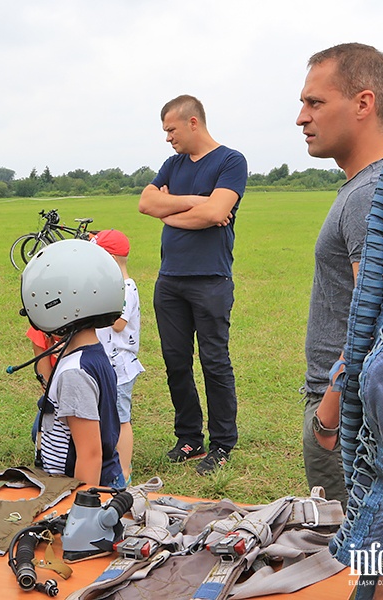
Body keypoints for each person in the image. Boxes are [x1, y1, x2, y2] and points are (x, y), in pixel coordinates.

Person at [296, 43, 383, 505]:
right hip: (351, 412)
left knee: (356, 565)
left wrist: (329, 417)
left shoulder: (368, 193)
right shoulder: (374, 185)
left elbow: (377, 317)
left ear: (363, 103)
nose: (301, 117)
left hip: (348, 417)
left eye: (315, 102)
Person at [138, 94, 247, 476]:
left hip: (211, 279)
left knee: (214, 362)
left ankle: (221, 443)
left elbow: (218, 212)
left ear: (193, 123)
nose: (168, 138)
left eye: (171, 129)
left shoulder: (231, 161)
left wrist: (171, 212)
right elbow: (147, 203)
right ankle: (189, 437)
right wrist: (193, 204)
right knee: (175, 362)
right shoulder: (172, 164)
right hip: (170, 281)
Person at [22, 239, 125, 487]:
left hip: (86, 491)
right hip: (104, 481)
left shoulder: (74, 373)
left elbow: (90, 455)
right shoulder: (93, 354)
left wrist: (78, 512)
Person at [93, 230, 144, 486]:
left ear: (111, 259)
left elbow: (119, 324)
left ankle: (124, 471)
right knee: (106, 416)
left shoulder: (126, 288)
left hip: (121, 367)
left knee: (121, 419)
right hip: (105, 364)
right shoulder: (111, 286)